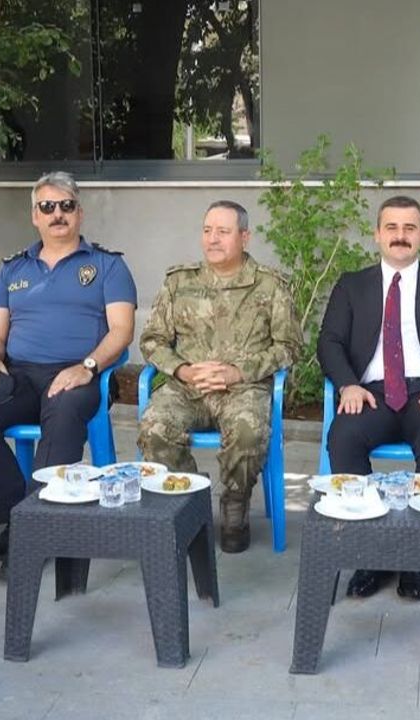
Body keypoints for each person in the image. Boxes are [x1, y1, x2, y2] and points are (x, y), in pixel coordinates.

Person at [0, 171, 136, 579]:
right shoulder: (13, 269)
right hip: (17, 374)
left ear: (79, 213)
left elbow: (122, 331)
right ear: (35, 216)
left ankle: (33, 534)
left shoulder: (107, 265)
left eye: (66, 206)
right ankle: (19, 517)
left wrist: (87, 366)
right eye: (47, 207)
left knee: (64, 411)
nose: (57, 214)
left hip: (78, 373)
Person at [317, 195, 420, 601]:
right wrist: (347, 385)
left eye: (409, 228)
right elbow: (329, 342)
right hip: (369, 394)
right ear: (377, 234)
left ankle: (418, 559)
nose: (400, 236)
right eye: (391, 227)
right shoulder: (352, 285)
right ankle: (369, 554)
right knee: (343, 437)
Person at [138, 200, 301, 553]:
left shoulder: (270, 286)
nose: (212, 239)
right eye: (207, 230)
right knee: (154, 428)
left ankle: (235, 502)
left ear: (245, 237)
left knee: (248, 431)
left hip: (244, 388)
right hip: (187, 387)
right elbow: (152, 341)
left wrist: (237, 372)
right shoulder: (179, 282)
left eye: (223, 232)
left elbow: (289, 347)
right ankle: (189, 500)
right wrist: (183, 370)